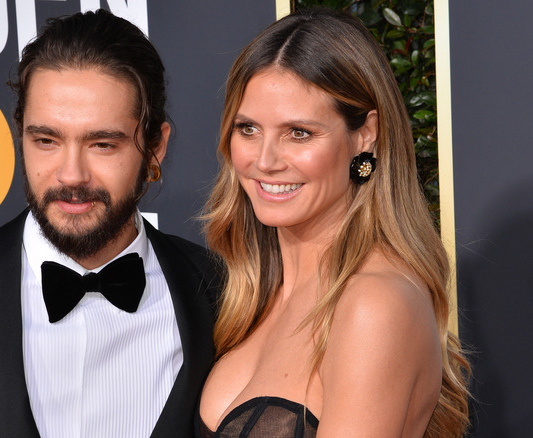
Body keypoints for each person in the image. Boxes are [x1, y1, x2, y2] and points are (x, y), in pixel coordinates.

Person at [0, 9, 219, 438]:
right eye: (46, 140)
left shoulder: (222, 294)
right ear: (21, 135)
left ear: (156, 147)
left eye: (102, 144)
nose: (71, 175)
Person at [199, 8, 469, 438]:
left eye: (299, 133)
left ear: (365, 135)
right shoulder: (251, 293)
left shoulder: (373, 304)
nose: (264, 161)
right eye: (248, 129)